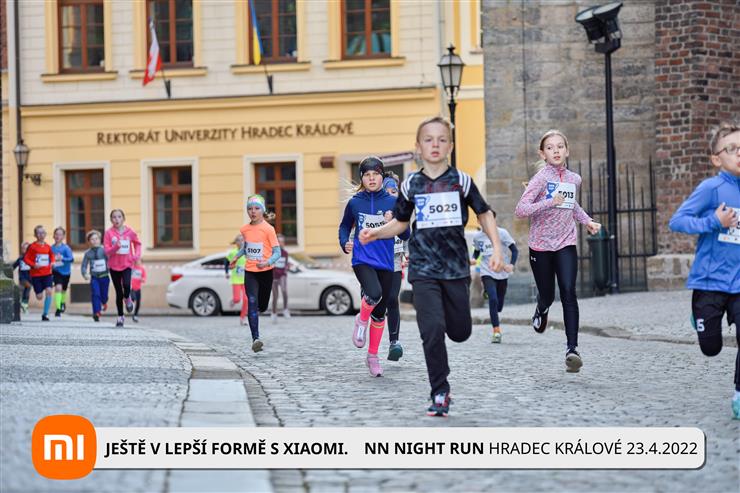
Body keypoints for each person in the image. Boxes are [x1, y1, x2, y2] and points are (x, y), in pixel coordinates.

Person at [359, 116, 504, 416]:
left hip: (455, 269)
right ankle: (440, 391)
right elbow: (401, 222)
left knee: (460, 331)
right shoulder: (411, 184)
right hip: (423, 269)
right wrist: (376, 233)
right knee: (431, 330)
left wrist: (497, 248)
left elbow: (484, 213)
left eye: (441, 139)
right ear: (418, 146)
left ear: (450, 146)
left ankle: (453, 326)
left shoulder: (462, 181)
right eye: (428, 139)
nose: (435, 144)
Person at [669, 121, 740, 420]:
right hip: (710, 281)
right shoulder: (711, 189)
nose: (739, 153)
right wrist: (714, 222)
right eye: (732, 148)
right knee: (711, 348)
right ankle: (698, 315)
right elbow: (677, 221)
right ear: (716, 159)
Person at [515, 129, 601, 373]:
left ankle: (572, 349)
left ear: (567, 151)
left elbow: (571, 205)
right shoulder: (540, 179)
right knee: (547, 294)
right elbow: (521, 209)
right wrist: (548, 202)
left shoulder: (574, 179)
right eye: (550, 147)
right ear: (543, 154)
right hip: (541, 245)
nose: (556, 151)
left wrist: (587, 221)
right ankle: (541, 309)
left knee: (568, 291)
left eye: (560, 146)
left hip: (565, 242)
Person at [339, 157, 410, 377]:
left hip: (386, 262)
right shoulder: (355, 203)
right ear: (362, 178)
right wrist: (345, 242)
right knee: (374, 293)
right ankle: (361, 320)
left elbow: (406, 233)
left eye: (375, 175)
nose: (371, 179)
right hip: (362, 259)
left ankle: (372, 357)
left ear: (382, 176)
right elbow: (344, 226)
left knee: (380, 314)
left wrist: (393, 220)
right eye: (367, 175)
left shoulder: (393, 202)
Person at [230, 194, 281, 353]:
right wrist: (236, 257)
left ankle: (261, 309)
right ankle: (256, 339)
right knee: (251, 300)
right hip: (250, 271)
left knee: (262, 305)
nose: (253, 211)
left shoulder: (268, 229)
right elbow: (246, 248)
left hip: (266, 272)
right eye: (250, 209)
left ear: (262, 210)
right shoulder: (245, 229)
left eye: (256, 208)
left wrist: (267, 262)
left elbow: (277, 252)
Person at [472, 212, 518, 343]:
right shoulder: (477, 237)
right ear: (478, 221)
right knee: (493, 299)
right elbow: (477, 251)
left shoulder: (502, 233)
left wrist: (511, 265)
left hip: (502, 272)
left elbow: (515, 250)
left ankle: (488, 292)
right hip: (486, 271)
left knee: (499, 306)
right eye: (482, 219)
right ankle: (496, 331)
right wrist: (474, 259)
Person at [382, 172, 407, 361]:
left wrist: (407, 252)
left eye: (394, 190)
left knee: (392, 299)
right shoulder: (374, 207)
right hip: (375, 260)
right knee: (377, 301)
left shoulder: (401, 209)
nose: (391, 194)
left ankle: (394, 343)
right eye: (387, 191)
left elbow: (408, 233)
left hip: (395, 259)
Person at [104, 209, 141, 327]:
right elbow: (106, 251)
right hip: (114, 266)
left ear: (123, 218)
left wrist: (136, 256)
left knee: (126, 285)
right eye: (114, 217)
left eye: (119, 217)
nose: (117, 219)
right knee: (118, 292)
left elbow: (137, 244)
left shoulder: (130, 232)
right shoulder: (108, 233)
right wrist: (115, 247)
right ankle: (120, 317)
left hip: (127, 264)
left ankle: (128, 298)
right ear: (111, 220)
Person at [23, 226, 55, 321]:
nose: (41, 235)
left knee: (49, 291)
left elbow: (52, 256)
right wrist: (33, 265)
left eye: (43, 233)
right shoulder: (32, 246)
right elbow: (26, 258)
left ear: (45, 234)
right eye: (39, 233)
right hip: (36, 275)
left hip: (47, 273)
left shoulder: (48, 246)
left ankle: (45, 314)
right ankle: (39, 291)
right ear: (35, 235)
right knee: (39, 297)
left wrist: (52, 262)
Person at [81, 230, 110, 322]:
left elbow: (110, 260)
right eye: (92, 239)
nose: (95, 241)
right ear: (89, 241)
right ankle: (96, 312)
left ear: (100, 240)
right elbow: (84, 265)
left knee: (104, 295)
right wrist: (85, 274)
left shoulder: (104, 250)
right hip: (94, 278)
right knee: (95, 294)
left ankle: (104, 302)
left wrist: (111, 269)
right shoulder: (87, 253)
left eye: (96, 239)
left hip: (104, 276)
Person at [51, 227, 74, 318]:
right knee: (58, 288)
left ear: (63, 236)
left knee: (63, 289)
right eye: (56, 234)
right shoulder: (51, 248)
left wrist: (62, 258)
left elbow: (71, 259)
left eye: (60, 234)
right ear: (53, 236)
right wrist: (51, 263)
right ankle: (58, 308)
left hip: (66, 272)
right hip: (56, 271)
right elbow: (49, 259)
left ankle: (62, 302)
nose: (58, 236)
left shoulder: (66, 248)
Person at [226, 235, 249, 326]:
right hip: (236, 279)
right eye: (238, 240)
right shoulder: (233, 252)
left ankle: (243, 318)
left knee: (246, 299)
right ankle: (233, 301)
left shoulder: (246, 252)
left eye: (242, 240)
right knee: (237, 299)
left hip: (245, 280)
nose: (241, 242)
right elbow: (226, 262)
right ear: (236, 242)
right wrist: (227, 272)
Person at [271, 234, 290, 321]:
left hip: (282, 275)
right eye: (279, 241)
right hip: (274, 275)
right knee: (275, 296)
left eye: (282, 242)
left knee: (284, 290)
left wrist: (287, 267)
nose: (281, 243)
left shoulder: (285, 253)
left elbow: (286, 264)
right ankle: (274, 313)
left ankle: (285, 309)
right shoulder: (272, 253)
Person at [12, 242, 32, 314]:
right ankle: (23, 303)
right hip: (22, 277)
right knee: (27, 287)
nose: (25, 250)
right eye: (23, 248)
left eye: (27, 248)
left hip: (30, 278)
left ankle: (24, 305)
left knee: (26, 291)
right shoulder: (20, 259)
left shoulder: (32, 258)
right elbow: (14, 266)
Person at [131, 258, 147, 323]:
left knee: (138, 303)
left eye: (139, 261)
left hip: (138, 288)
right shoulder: (132, 268)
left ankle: (135, 315)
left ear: (141, 262)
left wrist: (142, 279)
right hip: (132, 288)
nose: (137, 262)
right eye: (137, 261)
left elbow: (144, 278)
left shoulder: (142, 269)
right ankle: (130, 306)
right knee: (133, 298)